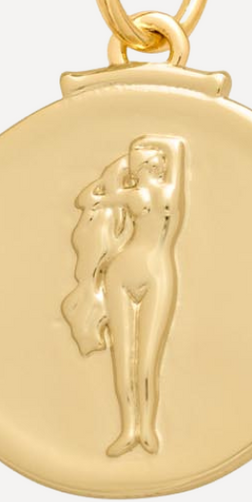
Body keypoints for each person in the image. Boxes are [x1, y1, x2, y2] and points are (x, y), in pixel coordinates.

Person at [62, 135, 186, 455]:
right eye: (155, 164)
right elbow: (84, 200)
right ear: (145, 167)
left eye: (161, 164)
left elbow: (86, 198)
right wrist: (129, 163)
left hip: (149, 274)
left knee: (143, 359)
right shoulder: (144, 195)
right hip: (129, 273)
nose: (162, 167)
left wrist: (126, 164)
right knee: (127, 356)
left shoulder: (154, 193)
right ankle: (131, 430)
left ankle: (143, 429)